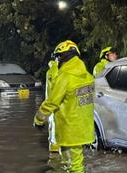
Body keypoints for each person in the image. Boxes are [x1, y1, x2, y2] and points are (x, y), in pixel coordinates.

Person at [33, 40, 95, 173]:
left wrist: (39, 119)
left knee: (73, 166)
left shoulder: (65, 77)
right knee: (76, 162)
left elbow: (52, 102)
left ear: (62, 57)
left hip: (69, 129)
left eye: (58, 57)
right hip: (84, 127)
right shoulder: (88, 76)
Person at [45, 57, 60, 155]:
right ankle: (54, 149)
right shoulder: (53, 71)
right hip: (54, 105)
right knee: (54, 125)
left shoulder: (54, 70)